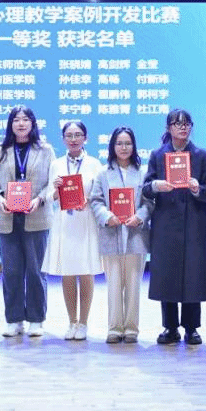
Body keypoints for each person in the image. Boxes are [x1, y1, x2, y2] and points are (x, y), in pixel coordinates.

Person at [142, 108, 206, 346]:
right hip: (166, 221)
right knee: (167, 273)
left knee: (194, 273)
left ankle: (192, 328)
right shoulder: (157, 155)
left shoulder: (202, 155)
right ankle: (170, 327)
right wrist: (157, 186)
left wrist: (197, 189)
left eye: (186, 124)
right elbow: (146, 189)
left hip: (195, 220)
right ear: (168, 128)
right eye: (177, 124)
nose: (182, 127)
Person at [0, 105, 56, 338]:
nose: (21, 123)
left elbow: (53, 183)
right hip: (7, 218)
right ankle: (14, 319)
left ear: (33, 124)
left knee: (36, 272)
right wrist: (0, 198)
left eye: (26, 119)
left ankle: (36, 319)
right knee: (11, 272)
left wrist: (39, 199)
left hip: (36, 216)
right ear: (11, 125)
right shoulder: (0, 152)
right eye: (16, 120)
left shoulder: (45, 150)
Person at [89, 126, 151, 344]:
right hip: (111, 233)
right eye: (119, 143)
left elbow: (149, 202)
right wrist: (106, 216)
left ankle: (131, 328)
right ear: (112, 146)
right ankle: (115, 328)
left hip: (136, 234)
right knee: (114, 284)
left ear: (134, 146)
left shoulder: (143, 173)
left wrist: (140, 216)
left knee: (133, 285)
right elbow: (95, 200)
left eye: (128, 143)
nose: (124, 148)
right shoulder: (103, 173)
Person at [43, 121, 104, 341]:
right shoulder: (56, 164)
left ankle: (84, 323)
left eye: (78, 135)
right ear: (63, 139)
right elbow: (49, 196)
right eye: (69, 135)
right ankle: (72, 322)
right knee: (68, 273)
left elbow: (100, 194)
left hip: (86, 221)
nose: (74, 139)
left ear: (86, 138)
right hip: (64, 223)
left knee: (86, 271)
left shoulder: (95, 164)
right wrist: (56, 190)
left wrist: (88, 200)